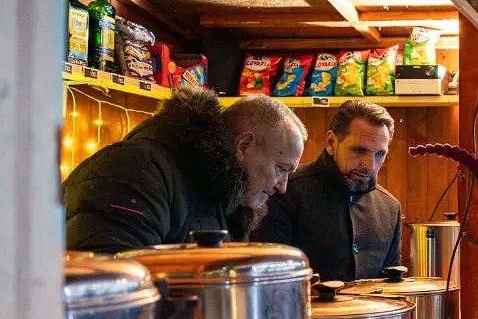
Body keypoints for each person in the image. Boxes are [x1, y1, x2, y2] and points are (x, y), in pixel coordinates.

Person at [64, 87, 305, 252]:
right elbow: (111, 292)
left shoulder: (222, 193)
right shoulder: (134, 171)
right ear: (243, 146)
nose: (283, 186)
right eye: (281, 169)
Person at [253, 100, 402, 282]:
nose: (370, 166)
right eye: (359, 150)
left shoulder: (390, 207)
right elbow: (268, 280)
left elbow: (392, 289)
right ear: (331, 142)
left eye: (380, 154)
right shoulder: (282, 192)